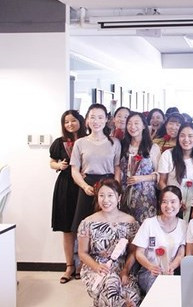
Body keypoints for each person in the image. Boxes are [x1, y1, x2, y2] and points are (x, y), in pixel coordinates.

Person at [77, 178, 141, 307]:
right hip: (96, 267)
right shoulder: (87, 222)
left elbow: (134, 252)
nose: (106, 200)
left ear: (119, 198)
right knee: (111, 284)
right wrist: (96, 267)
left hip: (122, 267)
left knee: (132, 297)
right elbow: (82, 253)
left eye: (110, 195)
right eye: (101, 196)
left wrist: (125, 271)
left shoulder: (130, 222)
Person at [70, 103, 121, 233]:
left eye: (100, 117)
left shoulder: (115, 142)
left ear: (106, 120)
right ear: (87, 120)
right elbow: (75, 170)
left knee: (108, 227)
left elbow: (117, 167)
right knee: (85, 228)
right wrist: (84, 186)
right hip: (88, 186)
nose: (96, 121)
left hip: (109, 185)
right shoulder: (80, 143)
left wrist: (116, 189)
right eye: (92, 117)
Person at [49, 110, 87, 283]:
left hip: (84, 187)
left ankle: (82, 264)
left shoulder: (88, 140)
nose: (70, 124)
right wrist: (59, 165)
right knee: (66, 228)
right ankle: (70, 265)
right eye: (66, 122)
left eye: (73, 120)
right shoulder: (60, 142)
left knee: (84, 227)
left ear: (80, 121)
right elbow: (51, 162)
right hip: (65, 186)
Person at [132, 186, 187, 293]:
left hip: (171, 272)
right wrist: (151, 267)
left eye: (173, 202)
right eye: (164, 202)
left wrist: (171, 267)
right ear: (160, 204)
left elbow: (181, 254)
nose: (168, 206)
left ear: (180, 204)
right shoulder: (149, 223)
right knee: (160, 288)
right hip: (149, 272)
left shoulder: (184, 225)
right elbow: (139, 253)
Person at [158, 122, 193, 222]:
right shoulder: (168, 155)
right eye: (182, 136)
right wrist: (175, 200)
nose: (186, 140)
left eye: (190, 136)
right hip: (171, 206)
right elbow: (161, 182)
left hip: (192, 205)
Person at [120, 112, 161, 224]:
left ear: (144, 125)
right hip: (125, 194)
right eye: (129, 123)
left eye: (136, 123)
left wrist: (141, 178)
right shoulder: (122, 146)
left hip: (145, 196)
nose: (133, 127)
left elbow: (159, 174)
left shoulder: (152, 147)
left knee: (144, 228)